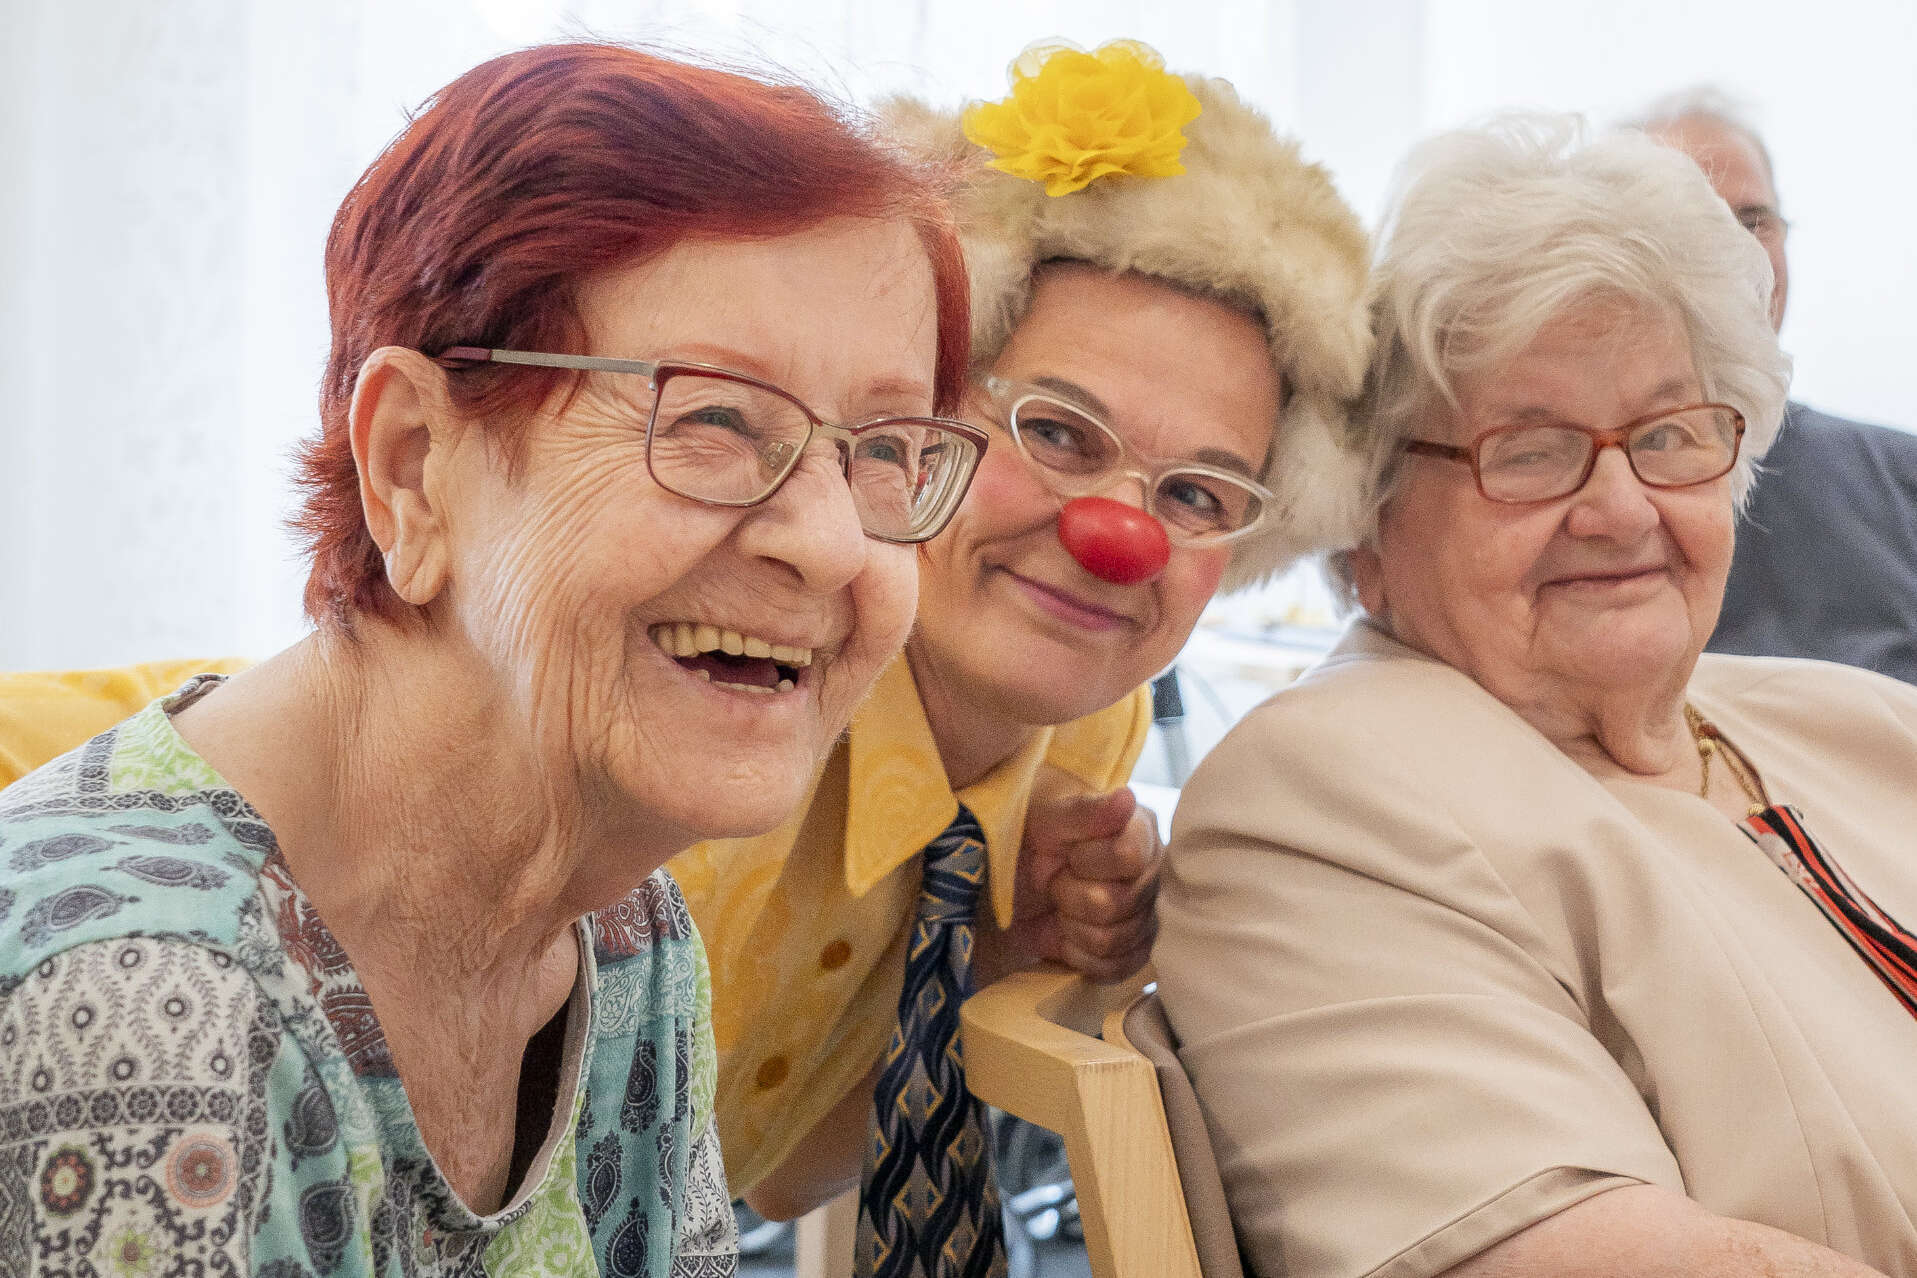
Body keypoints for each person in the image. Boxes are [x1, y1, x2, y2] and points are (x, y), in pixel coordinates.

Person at [0, 41, 985, 1275]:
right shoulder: (148, 1002)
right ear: (412, 463)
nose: (836, 543)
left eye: (885, 448)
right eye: (717, 419)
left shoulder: (624, 928)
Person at [1158, 113, 1917, 1278]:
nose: (1622, 506)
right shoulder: (1317, 807)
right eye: (1527, 448)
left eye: (1669, 434)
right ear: (1368, 517)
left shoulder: (1855, 721)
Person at [672, 37, 1373, 1269]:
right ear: (916, 419)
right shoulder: (721, 691)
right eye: (1055, 429)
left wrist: (997, 956)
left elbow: (779, 1162)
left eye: (1200, 495)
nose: (1119, 538)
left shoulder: (1081, 716)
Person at [1633, 89, 1917, 683]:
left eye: (1754, 221)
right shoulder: (1582, 496)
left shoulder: (1898, 474)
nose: (1739, 256)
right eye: (1697, 222)